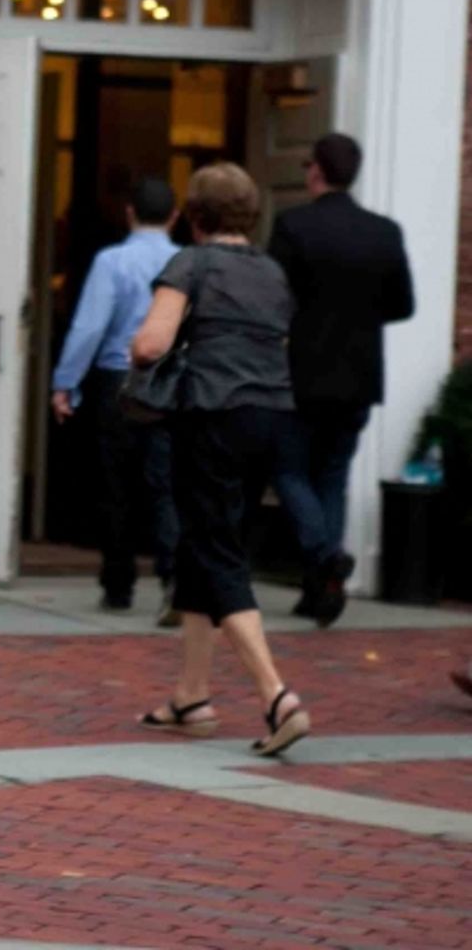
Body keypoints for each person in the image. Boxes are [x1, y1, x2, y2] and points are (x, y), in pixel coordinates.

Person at [132, 162, 311, 757]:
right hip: (270, 416)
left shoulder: (191, 263)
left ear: (195, 216)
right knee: (202, 545)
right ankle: (191, 695)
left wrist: (140, 351)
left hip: (210, 416)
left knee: (215, 549)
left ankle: (277, 697)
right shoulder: (272, 271)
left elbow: (151, 343)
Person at [269, 133, 414, 626]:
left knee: (288, 471)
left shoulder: (293, 225)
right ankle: (320, 590)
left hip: (301, 372)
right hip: (358, 374)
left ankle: (324, 554)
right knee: (332, 475)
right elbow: (402, 305)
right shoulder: (384, 232)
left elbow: (273, 298)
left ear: (315, 170)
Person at [51, 176, 180, 619]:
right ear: (174, 216)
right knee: (165, 483)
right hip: (168, 380)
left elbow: (89, 327)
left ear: (129, 213)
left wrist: (66, 382)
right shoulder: (186, 262)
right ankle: (173, 576)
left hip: (118, 379)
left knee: (116, 484)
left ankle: (118, 583)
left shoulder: (112, 262)